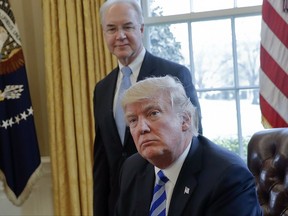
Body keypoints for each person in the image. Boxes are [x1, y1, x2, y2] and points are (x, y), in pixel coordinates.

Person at [93, 0, 203, 215]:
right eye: (112, 29)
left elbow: (193, 136)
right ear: (104, 33)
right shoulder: (102, 88)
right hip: (122, 203)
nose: (120, 35)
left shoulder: (173, 75)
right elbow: (102, 158)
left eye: (127, 26)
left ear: (141, 29)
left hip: (166, 196)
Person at [115, 76, 263, 215]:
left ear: (184, 120)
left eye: (153, 113)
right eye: (133, 120)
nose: (142, 128)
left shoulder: (227, 176)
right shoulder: (132, 169)